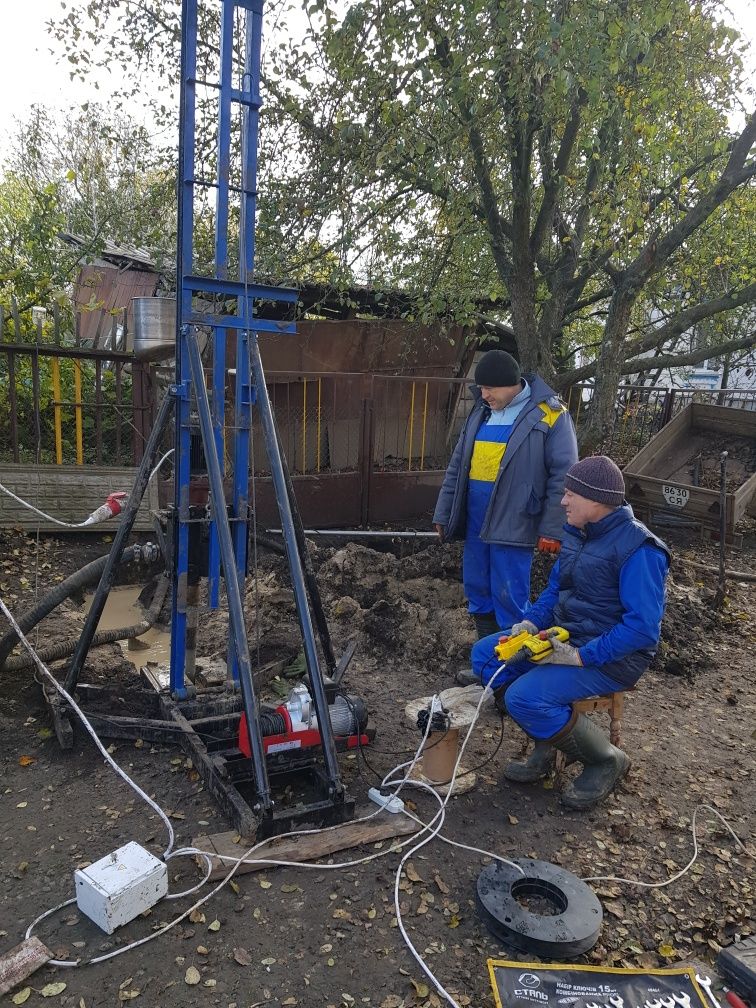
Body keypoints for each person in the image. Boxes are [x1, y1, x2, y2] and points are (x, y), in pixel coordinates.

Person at [470, 455, 670, 810]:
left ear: (596, 500)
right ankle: (548, 745)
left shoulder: (640, 550)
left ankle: (606, 760)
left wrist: (581, 656)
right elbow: (554, 591)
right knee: (485, 658)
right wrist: (531, 623)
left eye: (570, 494)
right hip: (566, 637)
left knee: (522, 697)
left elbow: (641, 630)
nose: (562, 501)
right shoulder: (579, 531)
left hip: (613, 657)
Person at [433, 349, 578, 645]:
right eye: (481, 388)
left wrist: (553, 528)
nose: (483, 394)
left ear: (512, 384)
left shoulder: (551, 415)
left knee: (509, 593)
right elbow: (458, 467)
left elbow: (564, 475)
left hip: (516, 519)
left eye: (489, 388)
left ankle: (509, 666)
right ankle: (486, 661)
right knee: (478, 588)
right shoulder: (480, 412)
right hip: (476, 519)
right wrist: (444, 513)